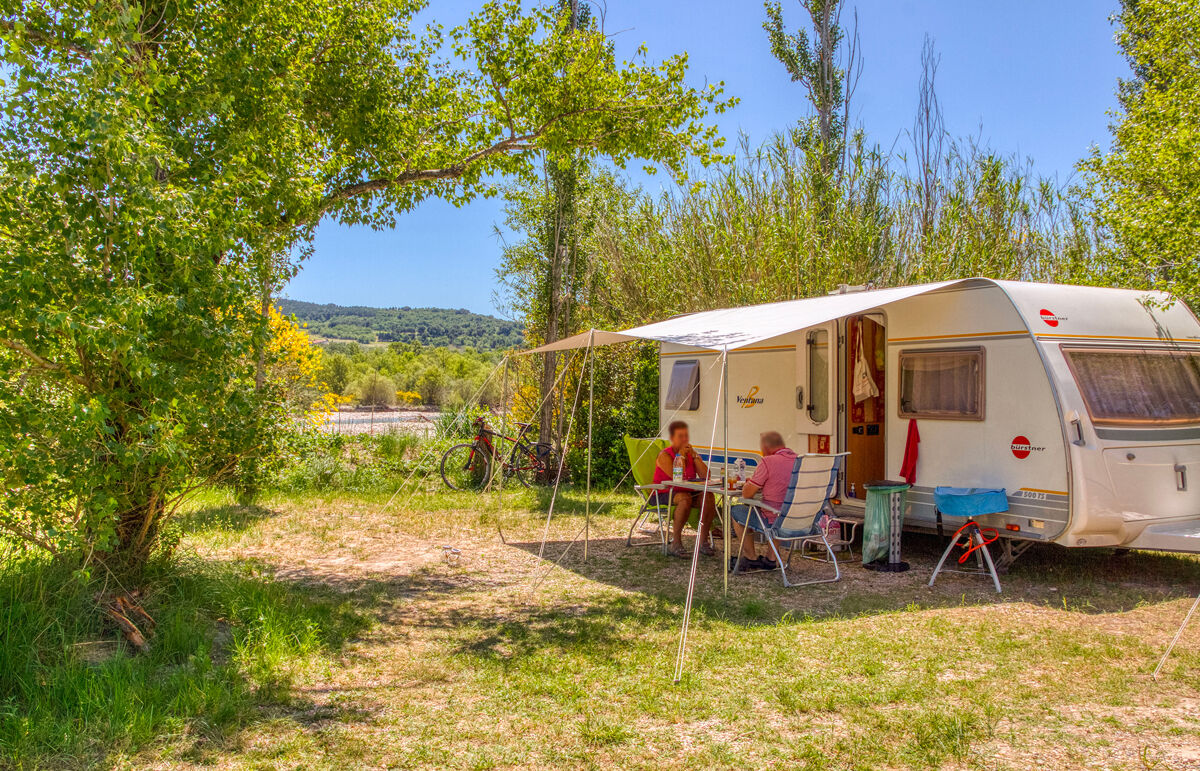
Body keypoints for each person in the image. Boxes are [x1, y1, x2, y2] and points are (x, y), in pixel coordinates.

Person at [729, 431, 798, 573]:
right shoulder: (800, 460)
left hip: (775, 520)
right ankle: (771, 558)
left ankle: (750, 557)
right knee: (779, 508)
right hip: (800, 519)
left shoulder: (768, 461)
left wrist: (751, 482)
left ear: (766, 448)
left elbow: (746, 494)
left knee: (737, 510)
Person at [653, 420, 719, 558]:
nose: (684, 440)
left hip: (688, 490)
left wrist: (695, 457)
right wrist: (680, 456)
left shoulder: (690, 455)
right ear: (672, 438)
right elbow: (676, 476)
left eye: (686, 436)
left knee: (708, 496)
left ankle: (703, 541)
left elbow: (706, 476)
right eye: (680, 436)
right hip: (665, 491)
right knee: (685, 498)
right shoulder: (664, 455)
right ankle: (675, 543)